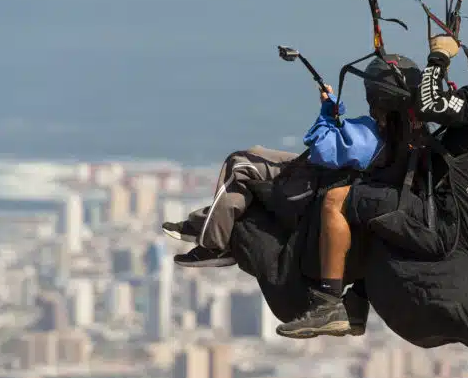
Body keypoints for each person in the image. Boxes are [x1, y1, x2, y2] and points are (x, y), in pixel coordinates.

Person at [276, 6, 468, 340]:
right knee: (379, 203)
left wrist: (439, 57)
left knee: (339, 200)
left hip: (450, 225)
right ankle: (357, 303)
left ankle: (329, 303)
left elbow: (431, 104)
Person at [162, 55, 417, 268]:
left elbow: (321, 149)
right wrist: (332, 111)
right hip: (321, 174)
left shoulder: (370, 139)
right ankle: (205, 224)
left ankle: (216, 245)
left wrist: (325, 115)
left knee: (240, 163)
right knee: (255, 153)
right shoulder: (395, 136)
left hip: (310, 180)